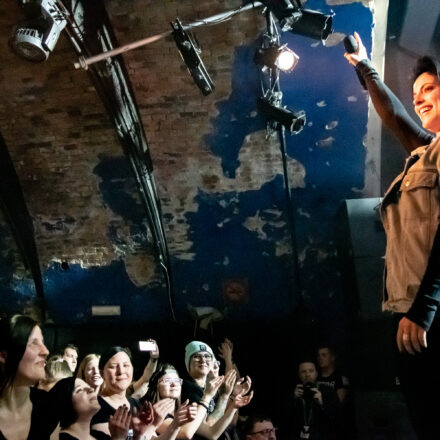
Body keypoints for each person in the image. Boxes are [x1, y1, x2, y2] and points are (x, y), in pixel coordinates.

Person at [344, 32, 440, 439]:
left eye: (431, 88)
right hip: (410, 313)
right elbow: (395, 117)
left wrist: (425, 308)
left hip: (429, 313)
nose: (419, 98)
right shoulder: (427, 152)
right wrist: (365, 69)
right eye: (416, 91)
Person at [144, 362, 252, 440]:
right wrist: (207, 396)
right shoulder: (154, 414)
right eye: (168, 380)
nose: (174, 384)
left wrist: (233, 405)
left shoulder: (182, 411)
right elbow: (186, 434)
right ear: (155, 386)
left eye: (177, 380)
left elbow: (212, 433)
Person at [0, 315, 58, 439]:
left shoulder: (47, 404)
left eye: (42, 342)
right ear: (4, 356)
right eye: (33, 343)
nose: (46, 351)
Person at [283, 360, 339, 440]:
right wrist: (293, 398)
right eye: (303, 371)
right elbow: (285, 420)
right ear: (299, 375)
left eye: (311, 371)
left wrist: (322, 403)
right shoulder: (293, 392)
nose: (307, 374)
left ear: (316, 373)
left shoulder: (328, 391)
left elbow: (336, 418)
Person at [91, 346, 139, 436]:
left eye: (126, 365)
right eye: (113, 367)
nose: (121, 371)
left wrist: (173, 426)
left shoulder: (137, 404)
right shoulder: (95, 407)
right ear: (102, 373)